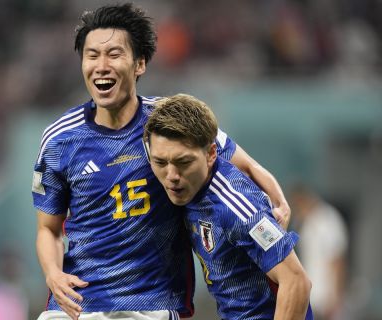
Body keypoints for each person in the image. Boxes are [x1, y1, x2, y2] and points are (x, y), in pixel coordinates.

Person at [32, 3, 291, 320]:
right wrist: (52, 274)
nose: (101, 65)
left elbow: (246, 163)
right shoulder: (59, 139)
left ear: (139, 63)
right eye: (92, 55)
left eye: (114, 54)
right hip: (75, 305)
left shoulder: (169, 124)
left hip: (149, 305)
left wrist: (279, 200)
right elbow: (49, 230)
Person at [144, 94, 312, 319]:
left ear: (211, 154)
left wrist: (279, 202)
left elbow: (297, 283)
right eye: (161, 163)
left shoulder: (237, 208)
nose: (172, 176)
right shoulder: (188, 169)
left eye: (184, 162)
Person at [290, 184, 349, 320]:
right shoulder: (307, 223)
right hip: (312, 295)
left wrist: (335, 297)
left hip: (327, 295)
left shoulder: (328, 219)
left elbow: (338, 260)